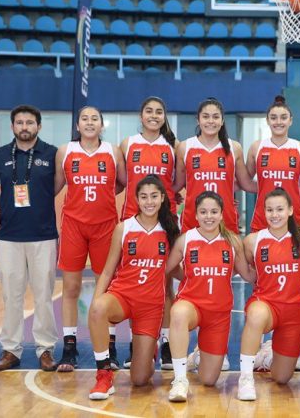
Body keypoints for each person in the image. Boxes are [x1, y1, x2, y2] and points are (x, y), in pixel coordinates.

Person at [87, 176, 180, 400]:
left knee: (140, 379)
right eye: (144, 197)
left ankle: (149, 353)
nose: (149, 201)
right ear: (136, 200)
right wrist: (96, 303)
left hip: (150, 307)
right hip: (123, 297)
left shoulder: (169, 229)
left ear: (162, 198)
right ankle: (103, 375)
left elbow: (175, 269)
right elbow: (108, 270)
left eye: (154, 196)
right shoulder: (124, 228)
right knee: (99, 308)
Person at [0, 104, 60, 372]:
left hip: (43, 235)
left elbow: (58, 183)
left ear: (38, 126)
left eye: (30, 122)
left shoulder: (52, 153)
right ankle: (10, 350)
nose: (25, 127)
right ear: (12, 126)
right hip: (9, 237)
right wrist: (4, 205)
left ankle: (45, 350)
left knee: (43, 296)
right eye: (19, 123)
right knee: (11, 296)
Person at [54, 106, 126, 372]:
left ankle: (110, 346)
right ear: (77, 125)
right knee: (70, 288)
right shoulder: (65, 152)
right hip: (74, 225)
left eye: (94, 118)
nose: (89, 122)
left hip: (105, 226)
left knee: (105, 291)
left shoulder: (112, 151)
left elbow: (121, 183)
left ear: (102, 125)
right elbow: (56, 186)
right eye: (84, 118)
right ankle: (69, 347)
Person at [166, 191, 254, 402]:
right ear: (195, 214)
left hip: (218, 315)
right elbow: (167, 268)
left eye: (214, 212)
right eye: (203, 212)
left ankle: (197, 356)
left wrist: (275, 269)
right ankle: (179, 380)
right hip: (192, 306)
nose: (209, 216)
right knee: (177, 313)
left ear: (222, 214)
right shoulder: (186, 240)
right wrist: (185, 274)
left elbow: (248, 274)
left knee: (208, 379)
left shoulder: (232, 241)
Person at [120, 96, 179, 369]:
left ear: (164, 117)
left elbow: (176, 183)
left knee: (165, 283)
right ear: (141, 115)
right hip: (134, 220)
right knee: (135, 285)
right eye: (149, 111)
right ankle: (137, 343)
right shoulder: (127, 144)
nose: (154, 116)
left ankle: (166, 343)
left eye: (159, 111)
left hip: (164, 222)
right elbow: (123, 180)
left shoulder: (173, 146)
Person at [236, 189, 300, 401]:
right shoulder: (253, 240)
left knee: (281, 377)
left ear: (290, 211)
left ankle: (267, 356)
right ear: (263, 212)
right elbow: (249, 273)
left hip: (294, 310)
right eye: (269, 210)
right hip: (266, 304)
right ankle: (246, 377)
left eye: (279, 209)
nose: (274, 214)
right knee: (256, 315)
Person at [175, 97, 256, 234]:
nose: (211, 121)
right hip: (193, 219)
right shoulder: (185, 147)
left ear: (222, 120)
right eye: (206, 117)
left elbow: (246, 183)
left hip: (226, 219)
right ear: (198, 120)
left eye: (215, 117)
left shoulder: (234, 147)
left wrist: (276, 186)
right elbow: (178, 184)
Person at [245, 95, 300, 232]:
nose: (278, 122)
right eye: (273, 118)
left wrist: (294, 192)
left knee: (296, 253)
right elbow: (246, 182)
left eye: (283, 117)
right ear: (268, 121)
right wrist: (264, 188)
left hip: (293, 217)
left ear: (290, 121)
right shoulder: (256, 147)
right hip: (263, 216)